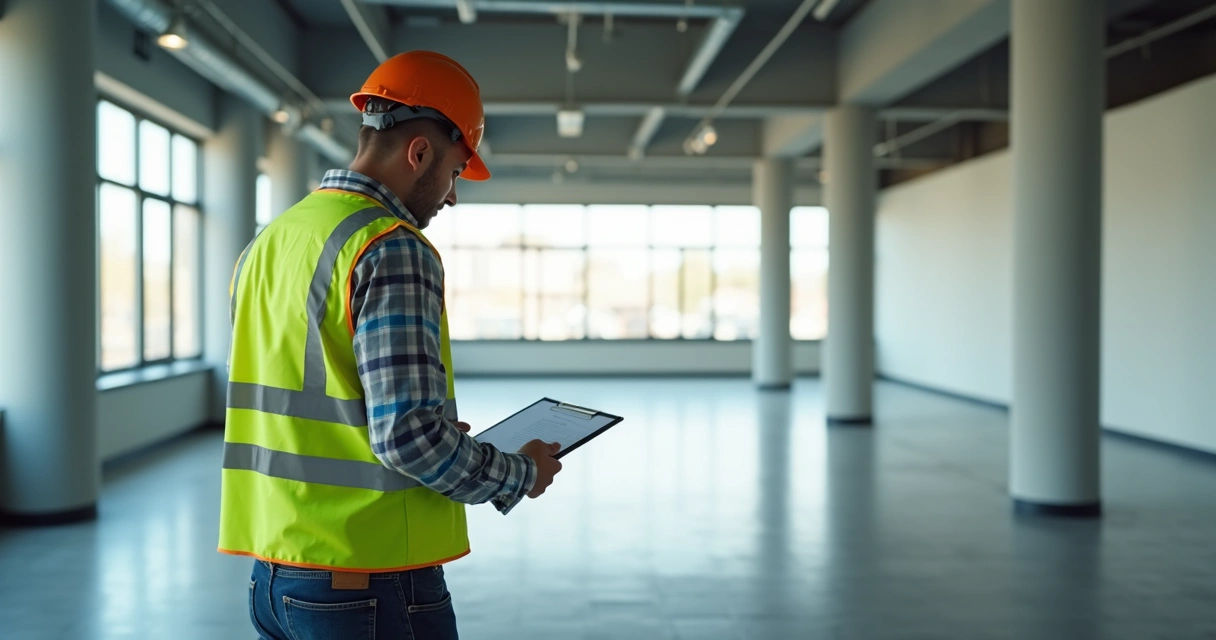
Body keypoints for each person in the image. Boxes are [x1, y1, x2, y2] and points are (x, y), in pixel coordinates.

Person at [217, 50, 563, 640]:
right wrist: (519, 473)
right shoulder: (390, 246)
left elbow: (318, 397)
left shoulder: (272, 240)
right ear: (420, 152)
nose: (451, 196)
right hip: (364, 581)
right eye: (455, 172)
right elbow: (407, 439)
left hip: (275, 579)